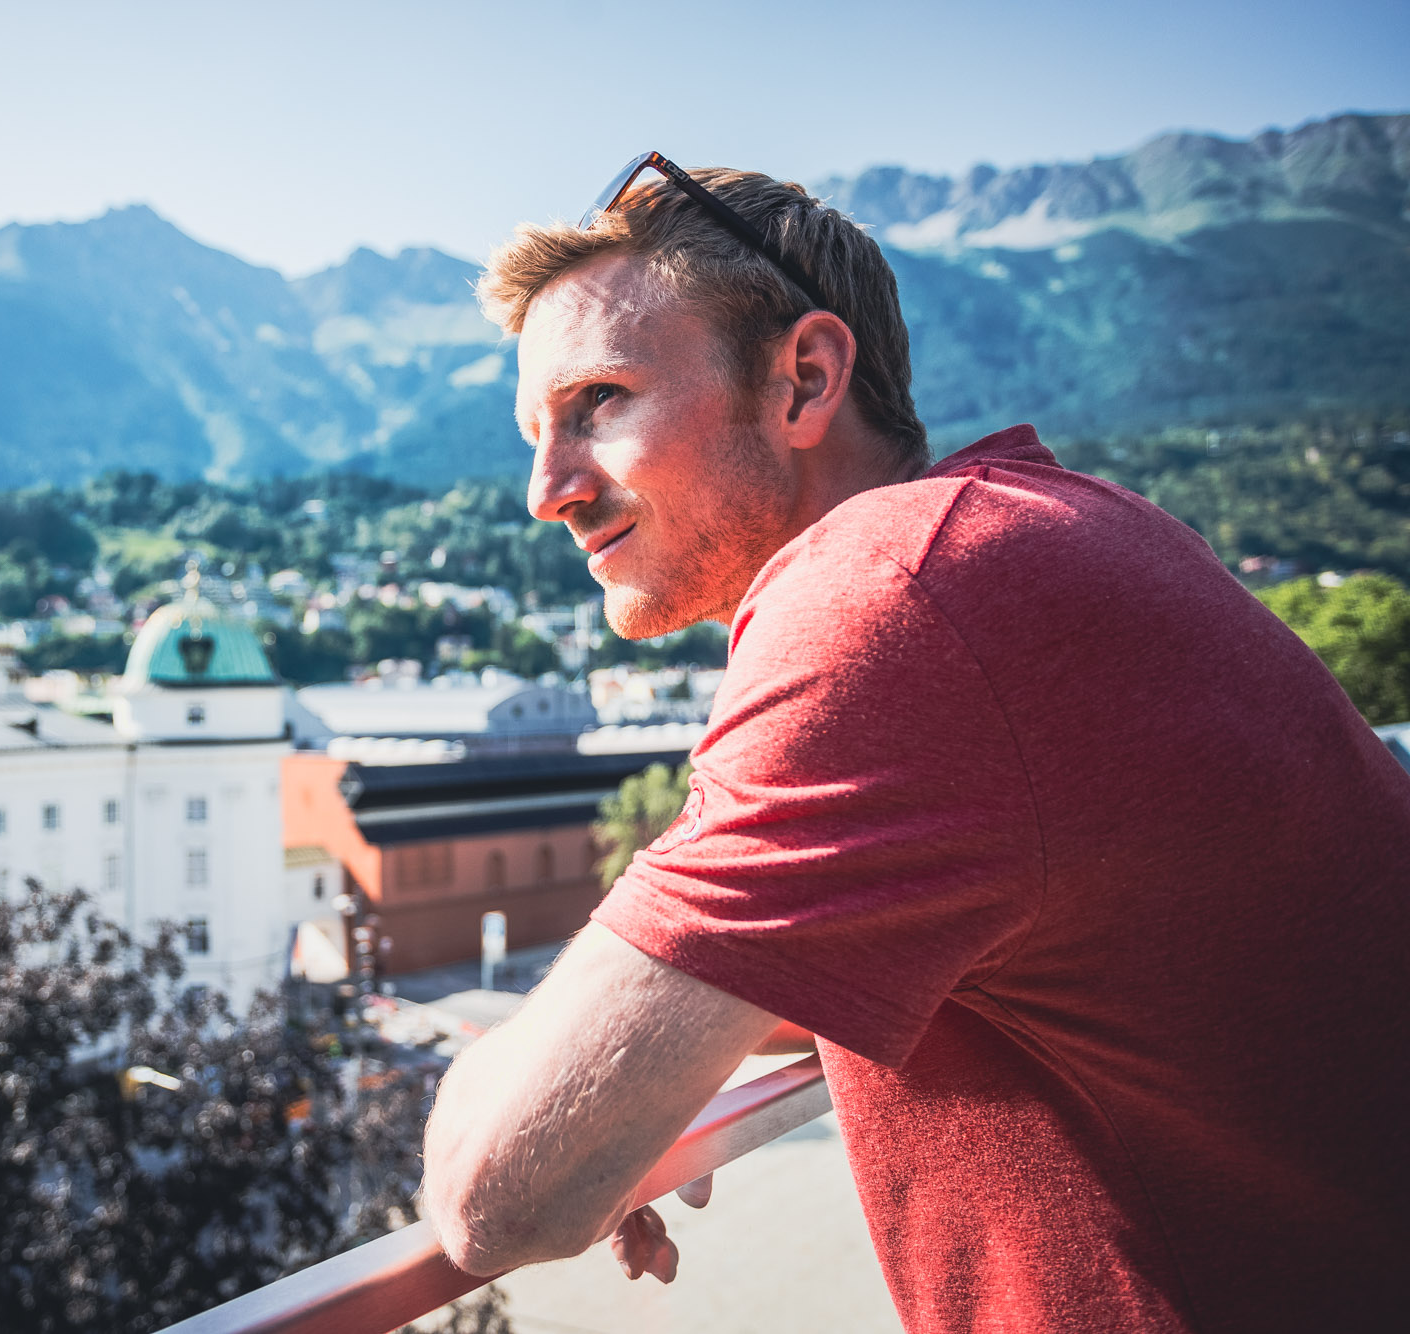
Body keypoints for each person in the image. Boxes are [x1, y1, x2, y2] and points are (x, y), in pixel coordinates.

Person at [419, 154, 1410, 1333]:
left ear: (804, 378)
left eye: (598, 402)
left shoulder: (890, 600)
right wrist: (642, 1078)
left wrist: (501, 1082)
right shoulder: (1055, 528)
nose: (545, 488)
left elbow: (497, 1192)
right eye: (533, 430)